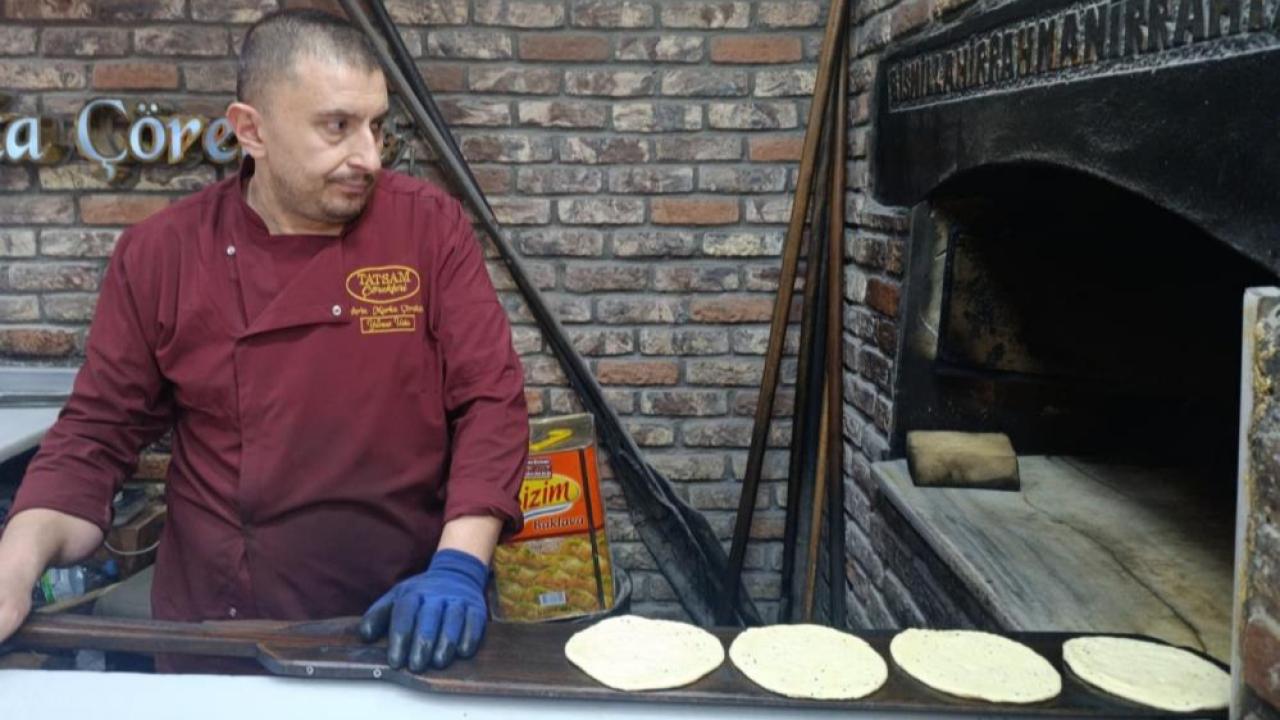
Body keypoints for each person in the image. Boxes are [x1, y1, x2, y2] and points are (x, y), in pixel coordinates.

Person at [0, 9, 528, 674]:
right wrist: (12, 568)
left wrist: (458, 564)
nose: (367, 155)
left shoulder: (428, 228)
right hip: (221, 631)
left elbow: (491, 403)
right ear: (251, 130)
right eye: (337, 126)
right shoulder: (162, 254)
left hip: (399, 617)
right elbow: (96, 435)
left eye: (375, 126)